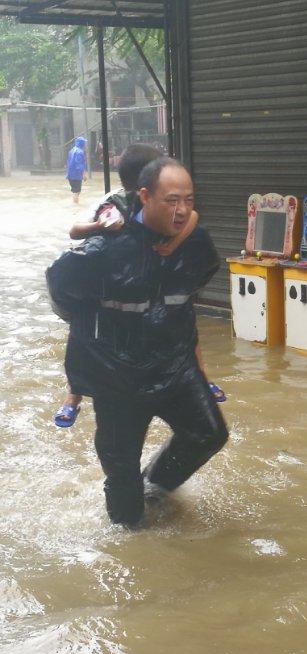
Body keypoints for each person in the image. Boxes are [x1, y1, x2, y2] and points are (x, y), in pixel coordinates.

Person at [46, 157, 229, 526]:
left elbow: (199, 279)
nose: (181, 211)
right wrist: (99, 335)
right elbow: (61, 288)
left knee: (208, 434)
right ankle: (129, 534)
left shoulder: (195, 244)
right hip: (119, 377)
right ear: (144, 196)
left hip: (174, 366)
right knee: (122, 476)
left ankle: (155, 487)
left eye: (189, 201)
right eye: (171, 200)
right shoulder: (104, 248)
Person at [53, 144, 225, 429]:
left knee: (183, 322)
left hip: (154, 277)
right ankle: (73, 398)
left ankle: (200, 379)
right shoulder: (113, 204)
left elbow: (192, 219)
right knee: (84, 338)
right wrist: (101, 226)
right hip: (106, 282)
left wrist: (172, 245)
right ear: (144, 186)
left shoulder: (164, 207)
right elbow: (75, 231)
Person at [65, 136, 88, 204]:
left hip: (70, 175)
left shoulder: (71, 150)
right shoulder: (79, 152)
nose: (84, 144)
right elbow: (79, 165)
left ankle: (75, 203)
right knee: (76, 191)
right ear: (81, 143)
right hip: (76, 175)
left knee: (75, 190)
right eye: (84, 143)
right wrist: (83, 175)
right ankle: (76, 205)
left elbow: (68, 162)